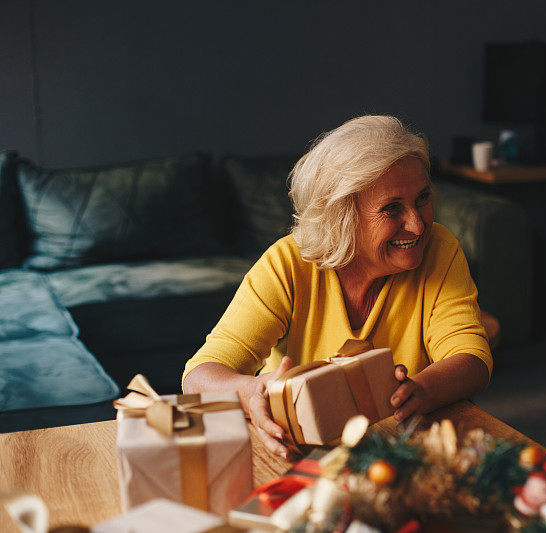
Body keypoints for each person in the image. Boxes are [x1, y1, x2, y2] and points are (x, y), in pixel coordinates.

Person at [183, 115, 492, 458]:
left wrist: (421, 390)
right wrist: (249, 390)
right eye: (391, 209)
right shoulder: (287, 264)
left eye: (422, 198)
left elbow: (472, 358)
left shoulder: (440, 248)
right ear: (342, 218)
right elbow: (198, 377)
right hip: (297, 452)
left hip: (401, 451)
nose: (418, 225)